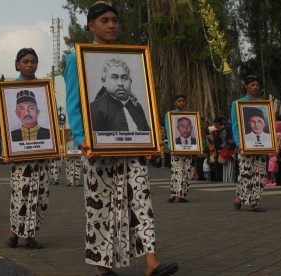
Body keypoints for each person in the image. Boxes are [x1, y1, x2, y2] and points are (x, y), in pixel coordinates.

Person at [65, 2, 178, 275]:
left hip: (134, 150)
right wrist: (81, 137)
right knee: (101, 205)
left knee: (141, 200)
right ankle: (102, 267)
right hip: (98, 149)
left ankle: (151, 260)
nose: (111, 25)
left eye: (115, 20)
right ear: (91, 25)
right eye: (104, 20)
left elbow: (147, 107)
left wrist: (153, 140)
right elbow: (74, 103)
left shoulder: (132, 57)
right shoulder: (76, 58)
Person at [6, 47, 49, 250]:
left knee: (39, 194)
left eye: (33, 61)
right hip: (20, 156)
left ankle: (29, 235)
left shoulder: (43, 90)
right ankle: (15, 231)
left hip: (41, 153)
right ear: (17, 65)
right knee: (20, 194)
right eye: (25, 61)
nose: (30, 65)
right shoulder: (8, 89)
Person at [231, 75, 267, 212]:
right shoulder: (237, 103)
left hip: (261, 144)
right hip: (245, 144)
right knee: (245, 173)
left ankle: (254, 202)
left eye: (257, 85)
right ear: (246, 86)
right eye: (252, 85)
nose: (255, 87)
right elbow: (235, 125)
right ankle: (240, 196)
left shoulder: (263, 104)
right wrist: (239, 143)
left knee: (259, 172)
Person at [90, 58, 150, 131]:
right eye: (114, 77)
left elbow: (148, 136)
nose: (120, 83)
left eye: (124, 78)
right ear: (104, 81)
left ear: (130, 81)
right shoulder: (96, 108)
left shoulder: (137, 107)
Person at [165, 95, 193, 203]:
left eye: (183, 101)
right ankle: (174, 194)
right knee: (176, 171)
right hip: (176, 146)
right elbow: (168, 130)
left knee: (186, 170)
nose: (181, 103)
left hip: (188, 147)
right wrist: (170, 146)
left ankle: (183, 195)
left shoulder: (190, 115)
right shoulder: (170, 114)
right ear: (174, 103)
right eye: (179, 101)